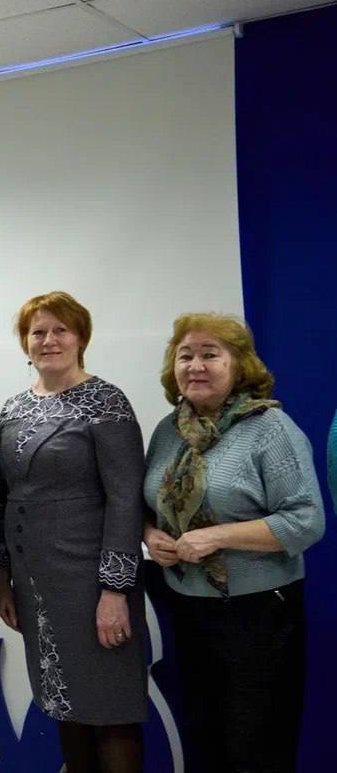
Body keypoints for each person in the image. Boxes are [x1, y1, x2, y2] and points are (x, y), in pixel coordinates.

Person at [142, 313, 324, 772]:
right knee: (205, 744)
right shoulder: (168, 430)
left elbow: (306, 521)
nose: (195, 366)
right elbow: (150, 504)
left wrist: (214, 536)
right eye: (185, 355)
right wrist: (151, 535)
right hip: (187, 607)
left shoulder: (270, 428)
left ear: (239, 365)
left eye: (210, 355)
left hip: (258, 614)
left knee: (256, 749)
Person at [0, 291, 147, 773]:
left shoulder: (106, 402)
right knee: (65, 707)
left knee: (110, 708)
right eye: (38, 331)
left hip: (91, 584)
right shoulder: (13, 408)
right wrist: (5, 580)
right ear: (25, 342)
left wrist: (115, 591)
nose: (49, 340)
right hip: (36, 587)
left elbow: (125, 498)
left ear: (81, 337)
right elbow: (4, 497)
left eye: (60, 330)